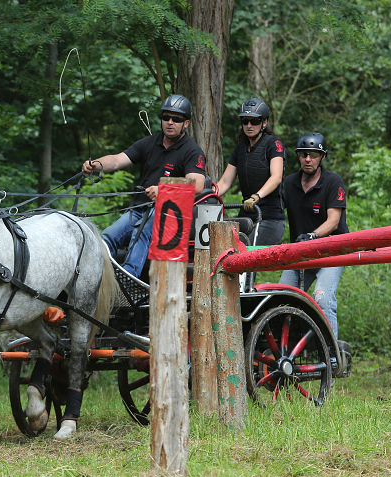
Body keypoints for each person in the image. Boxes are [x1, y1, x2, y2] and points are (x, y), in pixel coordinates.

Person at [82, 94, 207, 277]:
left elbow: (197, 185)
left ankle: (128, 280)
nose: (170, 122)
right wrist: (96, 165)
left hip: (169, 214)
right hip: (139, 209)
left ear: (186, 123)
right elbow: (117, 160)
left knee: (139, 234)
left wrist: (164, 191)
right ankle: (97, 279)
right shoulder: (149, 143)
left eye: (176, 119)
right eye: (166, 117)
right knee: (107, 236)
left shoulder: (192, 151)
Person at [279, 132, 349, 340]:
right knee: (281, 297)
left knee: (323, 298)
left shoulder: (333, 182)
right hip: (301, 252)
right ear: (298, 156)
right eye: (303, 154)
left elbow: (333, 221)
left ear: (322, 157)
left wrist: (312, 235)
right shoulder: (288, 184)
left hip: (332, 251)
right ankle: (285, 352)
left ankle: (332, 354)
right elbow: (274, 212)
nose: (308, 159)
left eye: (313, 155)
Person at [215, 98, 287, 245]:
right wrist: (207, 196)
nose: (249, 125)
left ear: (264, 122)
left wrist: (256, 197)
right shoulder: (240, 149)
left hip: (269, 217)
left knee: (247, 261)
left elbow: (276, 176)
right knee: (228, 254)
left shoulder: (273, 144)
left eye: (254, 121)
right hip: (247, 214)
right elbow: (224, 182)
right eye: (245, 121)